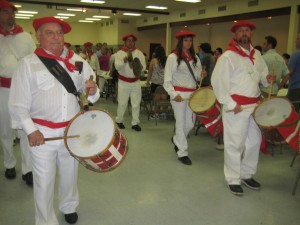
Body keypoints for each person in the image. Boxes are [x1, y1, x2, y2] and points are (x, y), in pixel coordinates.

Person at [8, 16, 99, 224]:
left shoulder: (79, 62)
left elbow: (92, 93)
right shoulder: (28, 64)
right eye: (49, 33)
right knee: (44, 182)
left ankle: (69, 206)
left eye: (59, 33)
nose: (56, 37)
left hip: (72, 131)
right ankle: (45, 220)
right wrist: (31, 131)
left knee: (69, 174)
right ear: (38, 37)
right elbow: (17, 104)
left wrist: (92, 91)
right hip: (42, 133)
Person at [211, 20, 275, 196]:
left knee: (254, 142)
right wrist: (231, 104)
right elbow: (217, 82)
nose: (244, 34)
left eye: (247, 31)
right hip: (236, 107)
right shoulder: (228, 56)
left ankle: (246, 174)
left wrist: (266, 79)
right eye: (240, 31)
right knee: (235, 144)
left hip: (254, 106)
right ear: (235, 35)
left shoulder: (257, 55)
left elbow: (261, 76)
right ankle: (233, 178)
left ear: (251, 34)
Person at [0, 0, 35, 185]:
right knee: (5, 130)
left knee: (25, 129)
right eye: (5, 12)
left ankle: (28, 169)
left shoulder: (26, 37)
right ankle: (9, 164)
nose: (10, 15)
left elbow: (35, 62)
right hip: (2, 89)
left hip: (23, 90)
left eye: (12, 12)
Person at [164, 30, 206, 165]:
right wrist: (173, 94)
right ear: (180, 41)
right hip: (178, 96)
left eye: (190, 40)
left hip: (193, 96)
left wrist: (202, 75)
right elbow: (167, 80)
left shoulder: (196, 58)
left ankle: (177, 139)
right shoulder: (172, 57)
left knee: (190, 124)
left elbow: (198, 77)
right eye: (186, 40)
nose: (188, 43)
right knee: (181, 123)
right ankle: (182, 152)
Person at [114, 34, 146, 132]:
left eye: (132, 40)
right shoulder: (119, 54)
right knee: (122, 103)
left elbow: (144, 67)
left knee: (136, 103)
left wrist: (140, 67)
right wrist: (124, 61)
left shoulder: (139, 53)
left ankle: (135, 123)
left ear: (134, 42)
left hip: (135, 82)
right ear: (125, 42)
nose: (130, 42)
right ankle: (119, 120)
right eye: (128, 40)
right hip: (123, 82)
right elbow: (117, 67)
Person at [146, 46, 168, 119]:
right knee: (164, 98)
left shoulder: (153, 61)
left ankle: (156, 114)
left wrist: (147, 81)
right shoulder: (167, 60)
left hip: (155, 84)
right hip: (164, 83)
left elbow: (150, 73)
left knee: (156, 100)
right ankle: (164, 114)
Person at [285, 33, 300, 112]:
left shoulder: (296, 54)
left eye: (297, 39)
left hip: (295, 88)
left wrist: (280, 85)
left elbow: (289, 72)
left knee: (293, 111)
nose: (295, 41)